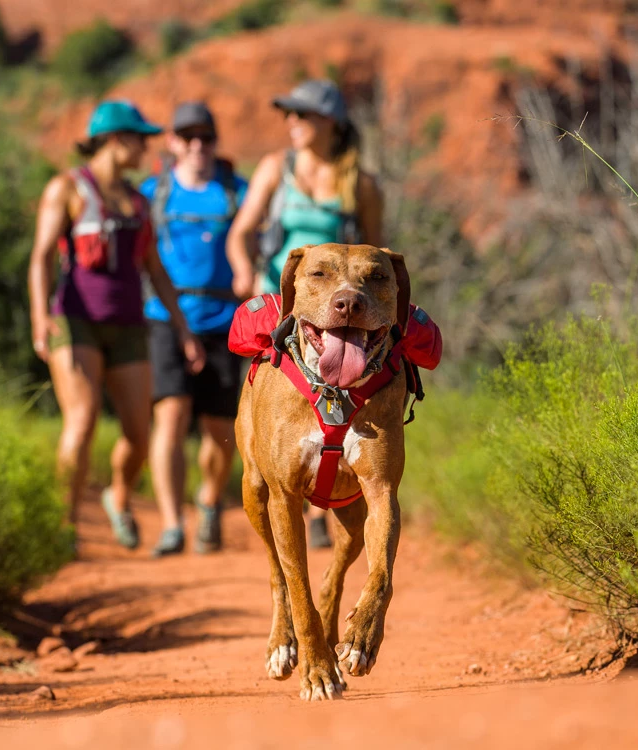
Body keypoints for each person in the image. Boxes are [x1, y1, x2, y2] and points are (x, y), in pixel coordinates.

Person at [28, 100, 205, 555]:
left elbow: (155, 269)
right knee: (82, 420)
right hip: (76, 320)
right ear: (115, 139)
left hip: (129, 324)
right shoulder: (66, 189)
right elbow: (43, 254)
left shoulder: (138, 200)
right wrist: (40, 315)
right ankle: (61, 528)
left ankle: (117, 495)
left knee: (139, 436)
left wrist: (183, 329)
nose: (145, 147)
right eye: (140, 138)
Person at [226, 79, 384, 548]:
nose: (292, 123)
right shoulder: (277, 169)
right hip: (279, 314)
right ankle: (289, 491)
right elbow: (241, 233)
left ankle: (321, 504)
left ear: (330, 123)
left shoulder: (363, 184)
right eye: (289, 115)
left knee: (337, 399)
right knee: (278, 415)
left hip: (338, 317)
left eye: (302, 115)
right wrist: (243, 275)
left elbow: (376, 258)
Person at [140, 102, 248, 556]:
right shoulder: (152, 192)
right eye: (188, 137)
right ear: (173, 143)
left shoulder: (237, 191)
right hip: (165, 317)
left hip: (225, 321)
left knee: (221, 432)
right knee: (170, 415)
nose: (197, 145)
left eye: (206, 136)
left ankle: (208, 501)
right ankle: (171, 524)